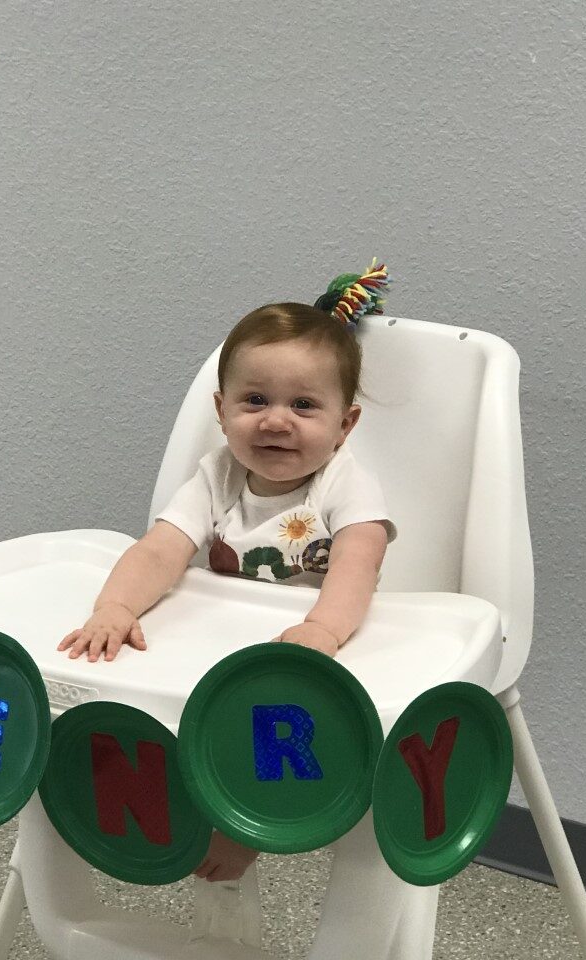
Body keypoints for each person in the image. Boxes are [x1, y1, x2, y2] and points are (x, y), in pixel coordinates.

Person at [58, 262, 396, 882]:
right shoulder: (218, 476)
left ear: (344, 425)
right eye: (255, 400)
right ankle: (148, 793)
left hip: (301, 646)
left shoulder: (345, 485)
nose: (275, 420)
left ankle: (244, 827)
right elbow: (161, 550)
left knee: (273, 718)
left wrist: (322, 630)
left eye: (303, 405)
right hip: (218, 639)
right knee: (141, 697)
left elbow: (359, 564)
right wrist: (116, 607)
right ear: (221, 410)